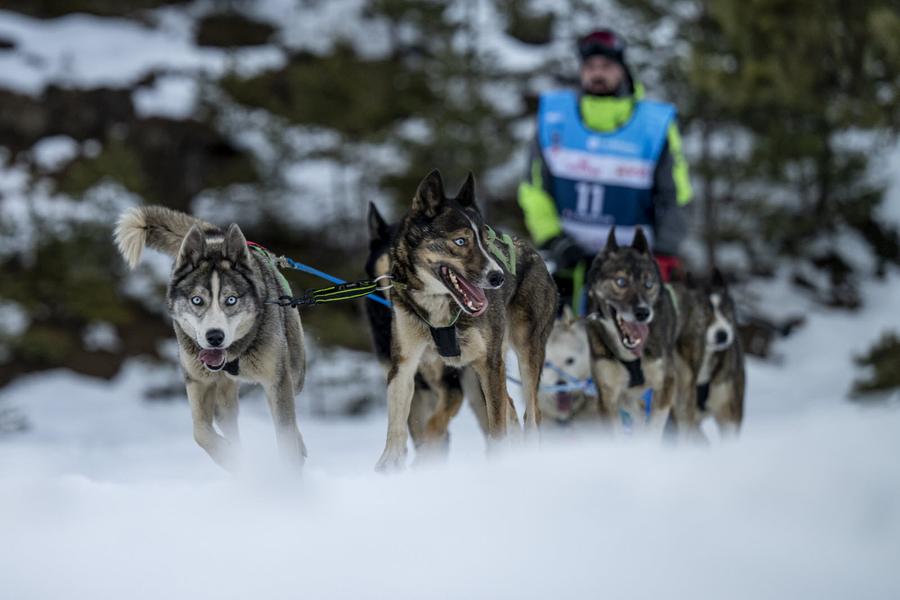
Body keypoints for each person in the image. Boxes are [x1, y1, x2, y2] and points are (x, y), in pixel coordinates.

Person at [518, 28, 693, 312]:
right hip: (568, 262)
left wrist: (665, 251)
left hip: (634, 267)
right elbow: (533, 188)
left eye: (607, 66)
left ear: (623, 70)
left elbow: (678, 194)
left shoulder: (654, 124)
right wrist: (552, 238)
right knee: (565, 350)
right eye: (590, 67)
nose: (597, 74)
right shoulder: (554, 117)